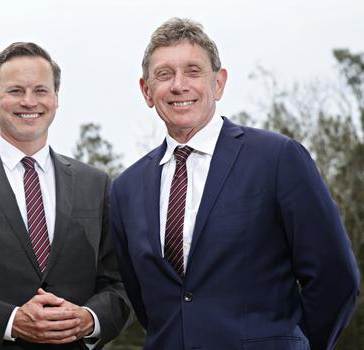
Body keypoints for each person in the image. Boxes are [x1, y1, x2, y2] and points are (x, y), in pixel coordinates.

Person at [110, 17, 360, 349]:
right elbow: (144, 300)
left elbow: (334, 277)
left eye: (193, 71)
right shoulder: (126, 188)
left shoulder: (278, 159)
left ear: (219, 83)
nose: (179, 85)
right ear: (146, 90)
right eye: (164, 74)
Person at [0, 42, 130, 349]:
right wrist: (11, 321)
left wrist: (90, 318)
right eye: (15, 91)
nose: (29, 101)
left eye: (40, 90)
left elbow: (120, 284)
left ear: (55, 98)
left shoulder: (96, 183)